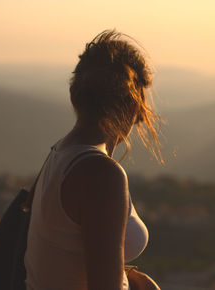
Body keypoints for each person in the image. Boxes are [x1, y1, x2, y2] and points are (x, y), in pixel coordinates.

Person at [24, 29, 163, 290]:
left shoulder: (59, 153)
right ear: (134, 106)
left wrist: (128, 278)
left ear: (75, 97)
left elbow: (65, 254)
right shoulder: (101, 173)